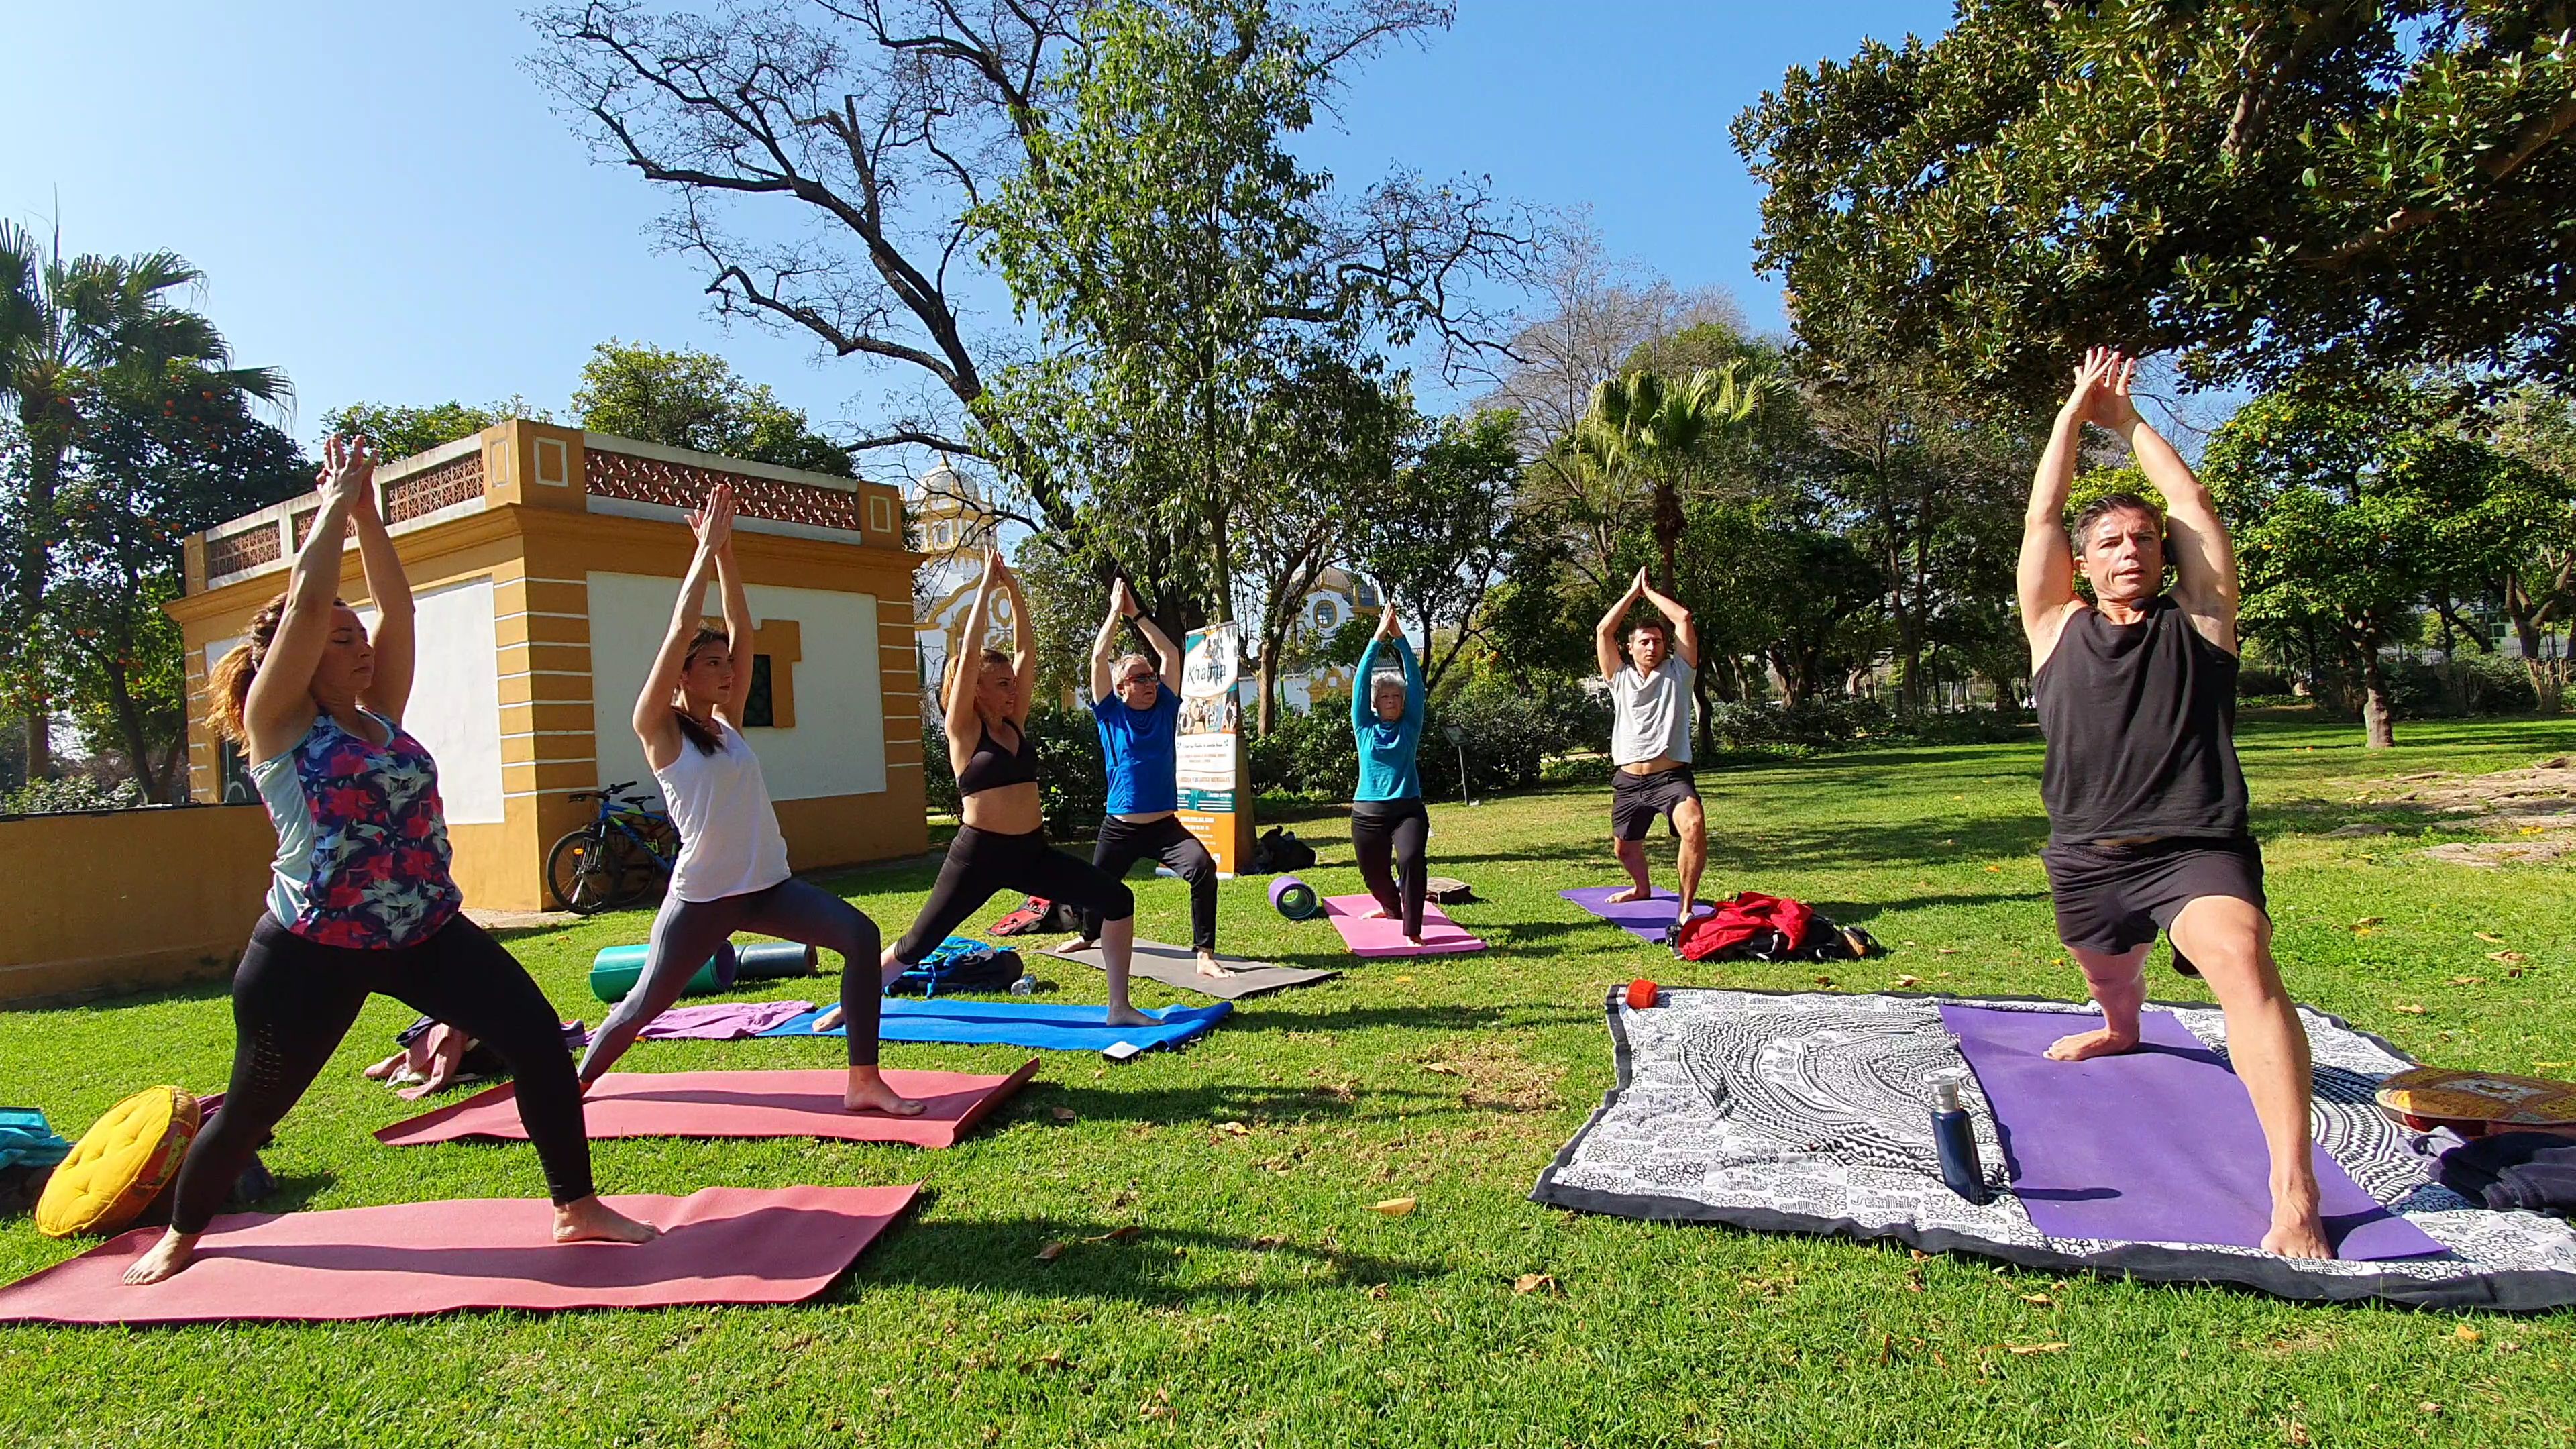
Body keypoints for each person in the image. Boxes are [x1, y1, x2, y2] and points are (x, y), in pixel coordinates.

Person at [125, 437, 656, 1285]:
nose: (359, 644)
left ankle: (575, 1206)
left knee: (539, 1042)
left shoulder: (381, 715)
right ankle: (182, 1233)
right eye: (341, 639)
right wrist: (331, 508)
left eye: (355, 634)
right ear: (298, 659)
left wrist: (373, 519)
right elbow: (302, 607)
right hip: (310, 948)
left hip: (426, 929)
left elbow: (401, 613)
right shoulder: (280, 727)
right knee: (255, 1106)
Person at [2019, 347, 2330, 1259]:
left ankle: (2295, 1190)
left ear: (2165, 558)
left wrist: (2129, 425)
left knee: (2241, 961)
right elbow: (2041, 513)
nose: (2131, 551)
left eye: (2144, 540)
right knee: (2107, 977)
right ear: (2083, 563)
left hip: (2196, 847)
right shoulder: (2055, 627)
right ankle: (2123, 1024)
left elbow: (2195, 509)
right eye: (2111, 542)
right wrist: (2072, 418)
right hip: (2085, 855)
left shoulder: (2200, 621)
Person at [575, 484, 919, 1115]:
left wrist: (728, 552)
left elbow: (745, 629)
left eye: (726, 664)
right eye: (710, 665)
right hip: (705, 896)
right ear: (681, 673)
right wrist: (702, 554)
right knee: (645, 1001)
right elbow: (684, 624)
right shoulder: (659, 728)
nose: (727, 670)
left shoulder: (726, 724)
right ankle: (573, 1089)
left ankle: (863, 1080)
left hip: (765, 884)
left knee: (860, 935)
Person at [817, 552, 1150, 1030]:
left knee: (1117, 900)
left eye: (1012, 685)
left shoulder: (1013, 723)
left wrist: (1014, 593)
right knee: (918, 942)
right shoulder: (963, 732)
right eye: (1000, 684)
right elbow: (970, 653)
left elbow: (1026, 653)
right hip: (979, 855)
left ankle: (1119, 1007)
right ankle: (850, 1006)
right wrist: (984, 595)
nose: (1013, 691)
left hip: (1032, 853)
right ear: (973, 689)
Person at [1051, 579, 1228, 977]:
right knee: (1097, 887)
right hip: (1120, 828)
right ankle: (1087, 936)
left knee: (1202, 868)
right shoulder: (1110, 713)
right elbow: (1098, 659)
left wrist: (1139, 615)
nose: (1150, 684)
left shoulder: (1165, 707)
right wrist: (1115, 613)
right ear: (1120, 688)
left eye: (1151, 678)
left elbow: (1169, 652)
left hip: (1165, 827)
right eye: (1140, 679)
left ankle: (1204, 953)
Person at [1595, 567, 1706, 933]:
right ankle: (1641, 888)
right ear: (1630, 648)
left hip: (1670, 778)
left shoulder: (1680, 672)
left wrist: (1650, 593)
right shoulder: (1619, 677)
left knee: (1693, 824)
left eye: (1657, 640)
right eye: (1643, 641)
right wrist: (1631, 594)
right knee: (1625, 851)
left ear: (1666, 645)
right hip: (1628, 780)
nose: (1651, 646)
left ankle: (1685, 908)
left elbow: (1684, 618)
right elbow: (1603, 631)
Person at [1350, 601, 1430, 944]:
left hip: (1407, 808)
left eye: (1397, 696)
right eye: (1386, 696)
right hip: (1367, 812)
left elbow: (1415, 681)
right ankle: (1390, 907)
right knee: (1373, 874)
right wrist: (1376, 639)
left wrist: (1400, 641)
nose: (1393, 700)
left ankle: (1412, 930)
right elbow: (1360, 682)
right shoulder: (1364, 726)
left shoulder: (1410, 725)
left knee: (1411, 859)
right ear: (1376, 702)